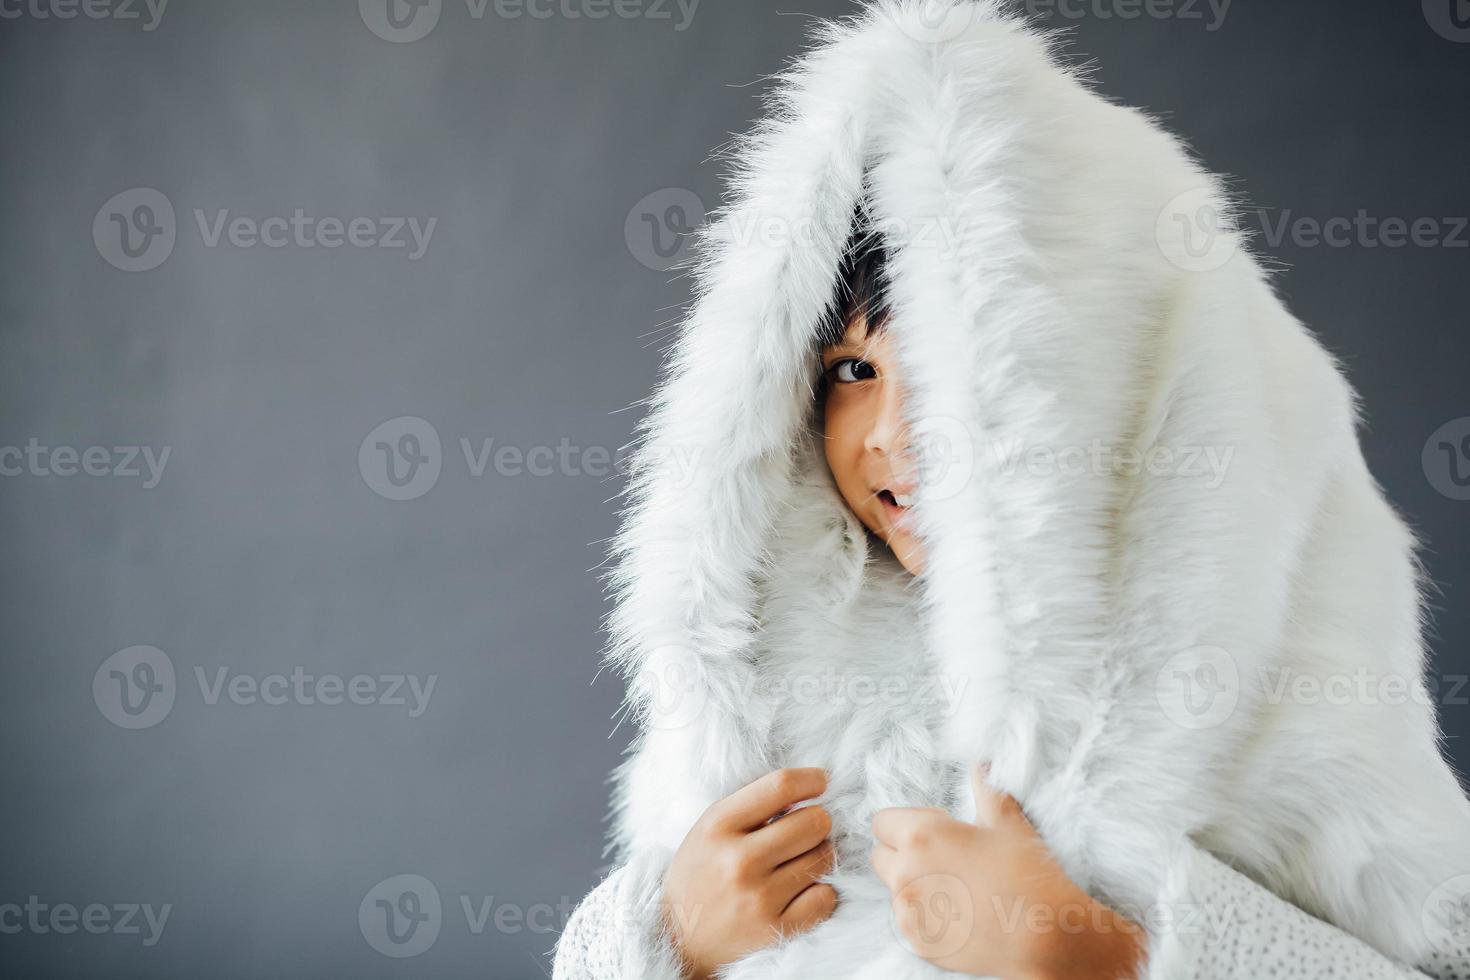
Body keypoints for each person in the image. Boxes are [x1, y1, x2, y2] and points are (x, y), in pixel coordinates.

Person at [553, 2, 1470, 977]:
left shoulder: (1274, 676)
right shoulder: (767, 679)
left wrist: (1098, 952)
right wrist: (664, 935)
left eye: (958, 378)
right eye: (854, 373)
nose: (898, 439)